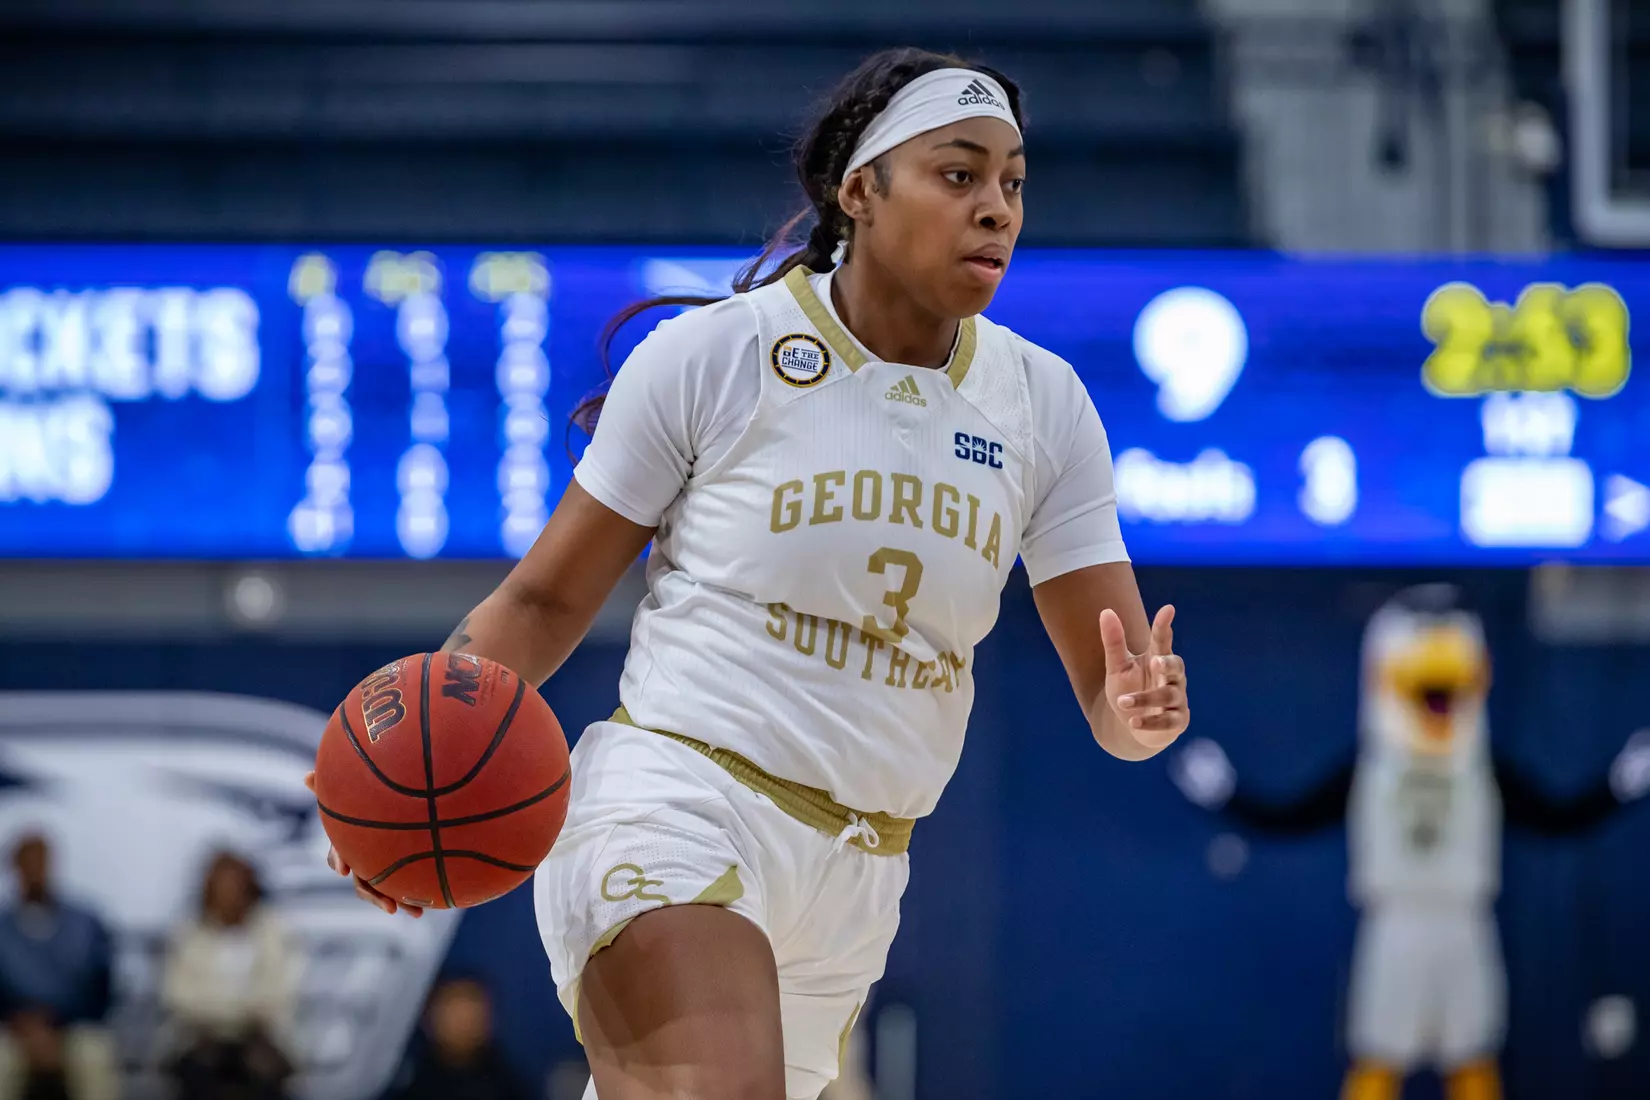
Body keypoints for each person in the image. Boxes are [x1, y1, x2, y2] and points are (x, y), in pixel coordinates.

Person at [313, 46, 1191, 1099]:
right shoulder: (718, 356)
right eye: (958, 175)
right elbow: (544, 599)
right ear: (859, 190)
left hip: (859, 874)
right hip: (680, 800)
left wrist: (1140, 714)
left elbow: (1113, 691)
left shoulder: (1043, 405)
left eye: (1011, 182)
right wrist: (408, 776)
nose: (996, 208)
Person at [1170, 583, 1650, 1100]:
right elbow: (1290, 818)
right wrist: (1227, 794)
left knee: (1473, 1053)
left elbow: (1556, 818)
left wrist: (1618, 784)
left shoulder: (1483, 770)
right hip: (1393, 924)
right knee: (1379, 1053)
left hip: (1466, 922)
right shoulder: (1371, 770)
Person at [160, 852, 300, 1100]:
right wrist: (234, 1008)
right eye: (222, 886)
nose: (229, 893)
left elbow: (280, 992)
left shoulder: (273, 931)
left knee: (266, 1072)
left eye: (236, 885)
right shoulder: (189, 933)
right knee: (196, 1071)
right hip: (202, 1035)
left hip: (259, 1033)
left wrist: (227, 1008)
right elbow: (178, 995)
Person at [0, 833, 118, 1100]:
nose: (35, 870)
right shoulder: (2, 927)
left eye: (41, 861)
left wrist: (56, 1024)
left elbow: (101, 987)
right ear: (14, 868)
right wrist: (22, 1025)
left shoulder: (85, 923)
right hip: (14, 1031)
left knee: (94, 1055)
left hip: (73, 1027)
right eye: (27, 862)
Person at [384, 976, 526, 1100]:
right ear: (429, 1016)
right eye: (454, 1010)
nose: (464, 1022)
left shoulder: (509, 1087)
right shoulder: (414, 1089)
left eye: (473, 1011)